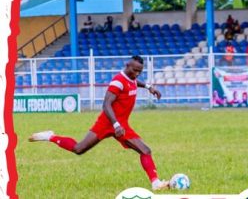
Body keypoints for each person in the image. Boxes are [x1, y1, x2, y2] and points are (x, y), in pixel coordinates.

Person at [28, 56, 170, 191]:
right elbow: (106, 104)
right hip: (108, 123)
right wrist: (115, 125)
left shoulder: (132, 78)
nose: (137, 74)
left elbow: (134, 82)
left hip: (122, 125)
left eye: (140, 71)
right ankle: (50, 136)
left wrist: (148, 87)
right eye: (135, 70)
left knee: (145, 150)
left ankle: (156, 183)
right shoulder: (118, 81)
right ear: (128, 66)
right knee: (79, 149)